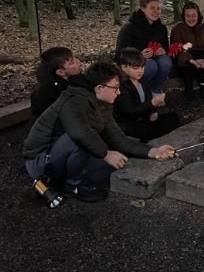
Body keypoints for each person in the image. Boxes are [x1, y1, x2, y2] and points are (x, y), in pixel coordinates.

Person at [23, 61, 177, 202]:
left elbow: (116, 136)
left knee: (118, 161)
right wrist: (106, 154)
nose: (119, 93)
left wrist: (152, 151)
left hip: (68, 153)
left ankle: (69, 177)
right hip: (42, 159)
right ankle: (73, 185)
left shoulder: (102, 102)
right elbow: (79, 133)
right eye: (115, 88)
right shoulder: (73, 99)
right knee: (81, 138)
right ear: (100, 88)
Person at [113, 48, 181, 141]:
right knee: (143, 130)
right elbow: (129, 111)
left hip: (144, 118)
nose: (140, 71)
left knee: (173, 117)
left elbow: (149, 99)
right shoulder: (122, 87)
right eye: (136, 68)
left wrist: (154, 111)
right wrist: (152, 103)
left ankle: (152, 136)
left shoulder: (143, 80)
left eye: (142, 67)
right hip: (129, 123)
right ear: (124, 67)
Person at [115, 0, 173, 95]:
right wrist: (139, 55)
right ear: (143, 8)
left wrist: (163, 50)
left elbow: (166, 49)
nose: (156, 11)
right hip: (134, 62)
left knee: (165, 62)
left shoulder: (161, 28)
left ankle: (155, 91)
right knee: (151, 65)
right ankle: (139, 91)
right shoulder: (129, 28)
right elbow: (120, 54)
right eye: (152, 8)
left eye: (158, 8)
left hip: (155, 58)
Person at [170, 1, 204, 101]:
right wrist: (192, 60)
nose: (191, 18)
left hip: (202, 60)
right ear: (184, 16)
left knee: (203, 54)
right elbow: (177, 47)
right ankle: (189, 90)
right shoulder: (178, 29)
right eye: (188, 16)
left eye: (193, 15)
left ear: (198, 16)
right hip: (185, 61)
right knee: (187, 59)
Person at [30, 47, 82, 120]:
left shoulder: (71, 80)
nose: (79, 62)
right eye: (72, 63)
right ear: (60, 72)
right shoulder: (56, 94)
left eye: (75, 59)